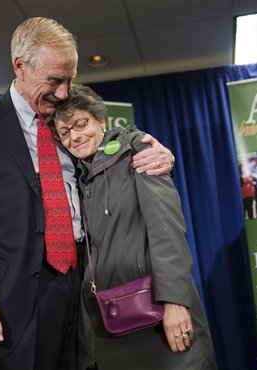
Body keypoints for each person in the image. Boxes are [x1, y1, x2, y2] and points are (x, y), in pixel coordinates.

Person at [0, 17, 175, 370]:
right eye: (54, 80)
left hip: (86, 289)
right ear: (20, 67)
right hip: (14, 301)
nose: (64, 92)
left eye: (69, 80)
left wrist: (161, 154)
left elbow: (117, 149)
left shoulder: (68, 120)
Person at [48, 83, 216, 369]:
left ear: (101, 120)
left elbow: (166, 229)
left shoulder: (135, 150)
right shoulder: (71, 178)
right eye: (64, 132)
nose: (74, 136)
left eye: (81, 123)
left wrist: (175, 301)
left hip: (157, 312)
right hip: (107, 321)